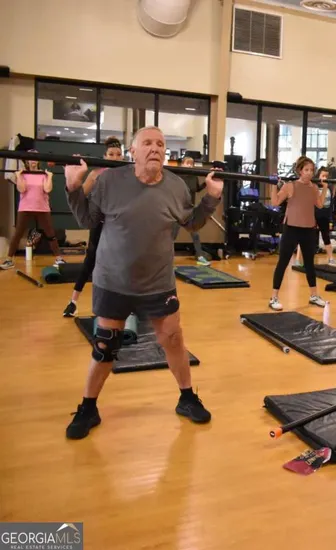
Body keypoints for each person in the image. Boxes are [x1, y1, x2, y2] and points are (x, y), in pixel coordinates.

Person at [62, 126, 223, 440]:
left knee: (173, 339)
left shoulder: (176, 186)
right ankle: (88, 407)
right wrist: (72, 187)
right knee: (105, 346)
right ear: (132, 152)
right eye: (147, 143)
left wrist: (211, 198)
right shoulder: (110, 181)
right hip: (113, 280)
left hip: (158, 282)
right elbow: (86, 221)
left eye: (160, 144)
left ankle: (187, 397)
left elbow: (192, 223)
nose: (155, 148)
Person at [62, 137, 123, 317]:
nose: (115, 157)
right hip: (99, 223)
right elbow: (81, 196)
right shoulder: (96, 174)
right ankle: (73, 302)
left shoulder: (126, 175)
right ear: (105, 156)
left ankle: (119, 305)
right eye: (111, 154)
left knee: (119, 264)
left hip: (118, 226)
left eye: (118, 154)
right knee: (90, 262)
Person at [268, 156, 328, 311]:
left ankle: (314, 295)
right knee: (283, 262)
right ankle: (274, 297)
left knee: (309, 264)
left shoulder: (314, 188)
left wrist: (325, 188)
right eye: (306, 170)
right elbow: (275, 202)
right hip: (291, 228)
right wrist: (273, 186)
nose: (309, 173)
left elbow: (320, 205)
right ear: (300, 171)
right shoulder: (290, 186)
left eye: (311, 170)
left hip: (308, 229)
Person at [1, 151, 65, 270]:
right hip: (25, 207)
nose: (33, 160)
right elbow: (21, 189)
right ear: (27, 161)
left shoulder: (43, 174)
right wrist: (19, 176)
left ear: (38, 160)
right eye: (31, 158)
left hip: (42, 208)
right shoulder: (23, 174)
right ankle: (9, 260)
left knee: (50, 234)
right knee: (18, 234)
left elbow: (47, 189)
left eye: (35, 158)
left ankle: (59, 258)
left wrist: (50, 176)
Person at [293, 167, 336, 267]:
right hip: (313, 214)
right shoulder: (313, 187)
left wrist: (333, 183)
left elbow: (332, 197)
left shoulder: (329, 188)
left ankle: (331, 259)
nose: (325, 178)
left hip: (324, 216)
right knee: (304, 237)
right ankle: (297, 260)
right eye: (323, 175)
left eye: (326, 176)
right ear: (318, 176)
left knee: (326, 237)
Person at [175, 155, 211, 267]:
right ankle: (165, 258)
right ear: (182, 164)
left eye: (191, 164)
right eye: (187, 163)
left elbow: (197, 189)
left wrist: (206, 183)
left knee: (195, 234)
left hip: (189, 209)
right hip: (177, 209)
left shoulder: (193, 177)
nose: (189, 166)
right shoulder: (177, 177)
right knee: (172, 234)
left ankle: (200, 256)